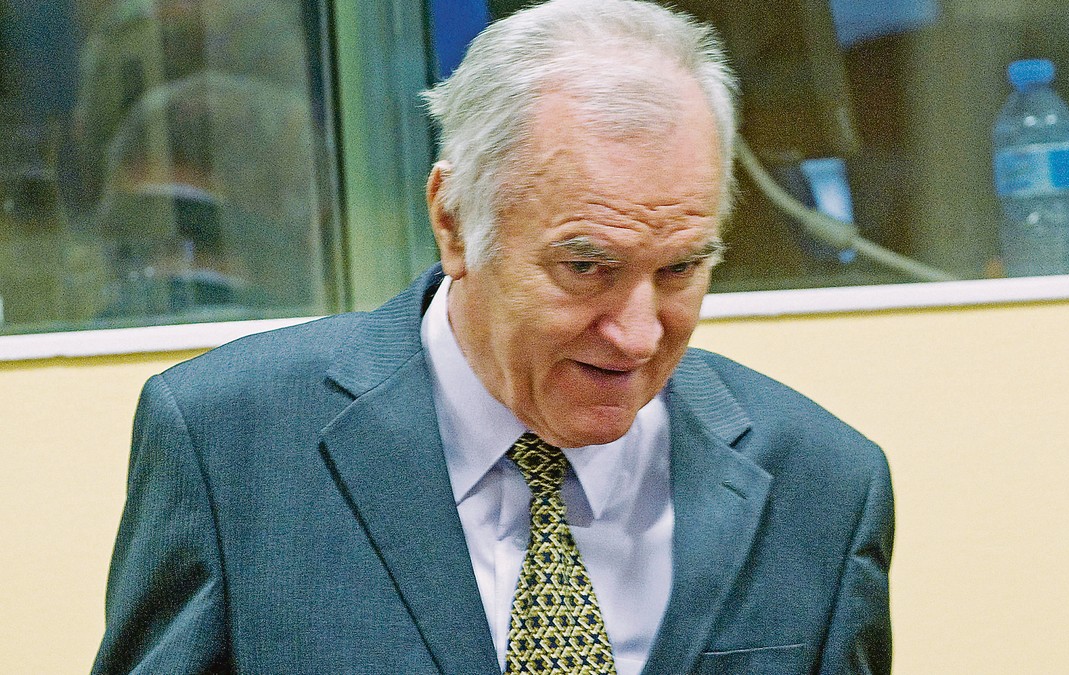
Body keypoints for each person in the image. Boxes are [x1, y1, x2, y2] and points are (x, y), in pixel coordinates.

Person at [93, 0, 894, 672]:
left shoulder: (822, 487)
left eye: (681, 268)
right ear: (454, 221)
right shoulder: (230, 448)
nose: (638, 334)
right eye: (587, 266)